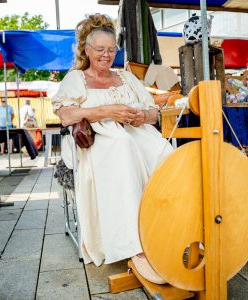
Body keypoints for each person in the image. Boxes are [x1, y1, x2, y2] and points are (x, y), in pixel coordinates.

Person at [52, 14, 173, 284]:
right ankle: (135, 246)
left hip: (136, 132)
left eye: (110, 50)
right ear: (86, 50)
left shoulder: (127, 78)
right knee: (122, 148)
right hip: (102, 139)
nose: (106, 55)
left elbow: (153, 111)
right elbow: (65, 115)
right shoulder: (76, 79)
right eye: (99, 50)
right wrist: (105, 111)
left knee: (166, 154)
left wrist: (143, 117)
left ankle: (167, 231)